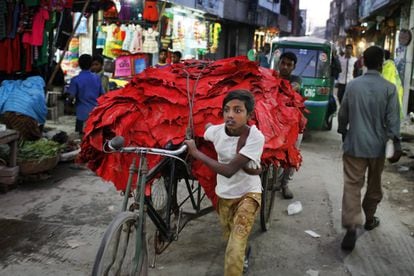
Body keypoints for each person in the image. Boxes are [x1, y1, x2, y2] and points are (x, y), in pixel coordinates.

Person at [184, 90, 265, 275]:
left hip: (248, 194)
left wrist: (196, 153)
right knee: (232, 239)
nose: (230, 115)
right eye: (227, 110)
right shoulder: (217, 131)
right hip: (224, 195)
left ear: (249, 115)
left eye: (238, 110)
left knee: (234, 246)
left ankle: (239, 256)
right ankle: (246, 252)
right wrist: (198, 130)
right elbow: (208, 129)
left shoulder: (255, 137)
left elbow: (229, 171)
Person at [337, 46, 402, 251]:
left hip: (355, 145)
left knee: (352, 186)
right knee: (374, 185)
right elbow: (393, 119)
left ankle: (351, 225)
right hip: (378, 148)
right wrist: (396, 141)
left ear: (363, 62)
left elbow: (343, 114)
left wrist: (343, 130)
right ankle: (370, 217)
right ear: (382, 64)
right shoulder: (389, 88)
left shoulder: (353, 86)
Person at [277, 51, 302, 199]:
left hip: (292, 122)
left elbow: (294, 87)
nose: (285, 67)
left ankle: (284, 184)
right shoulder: (271, 76)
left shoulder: (296, 80)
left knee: (293, 151)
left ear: (293, 67)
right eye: (283, 63)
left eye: (289, 65)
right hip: (273, 120)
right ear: (279, 63)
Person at [67, 54, 104, 137]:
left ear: (79, 64)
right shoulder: (97, 78)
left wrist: (70, 105)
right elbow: (102, 94)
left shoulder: (75, 80)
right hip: (95, 113)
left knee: (81, 138)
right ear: (91, 64)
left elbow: (71, 97)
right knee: (94, 137)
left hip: (81, 113)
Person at [382, 50, 404, 118]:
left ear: (383, 57)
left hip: (392, 93)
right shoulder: (390, 65)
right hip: (394, 91)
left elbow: (385, 81)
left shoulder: (388, 66)